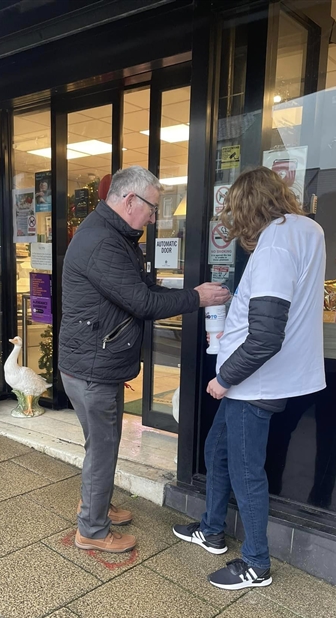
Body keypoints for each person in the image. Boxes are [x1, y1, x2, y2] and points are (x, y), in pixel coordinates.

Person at [59, 165, 230, 554]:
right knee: (103, 448)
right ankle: (93, 530)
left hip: (91, 362)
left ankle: (95, 504)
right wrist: (197, 298)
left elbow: (140, 288)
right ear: (129, 200)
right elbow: (142, 301)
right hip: (93, 368)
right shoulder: (104, 242)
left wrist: (184, 290)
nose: (155, 217)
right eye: (152, 208)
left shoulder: (111, 234)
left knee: (98, 445)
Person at [173, 166, 326, 590]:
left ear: (248, 207)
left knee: (244, 469)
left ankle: (257, 563)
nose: (235, 226)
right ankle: (212, 529)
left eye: (235, 214)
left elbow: (265, 337)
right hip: (265, 377)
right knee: (217, 448)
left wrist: (225, 379)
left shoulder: (276, 244)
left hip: (253, 381)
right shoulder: (307, 231)